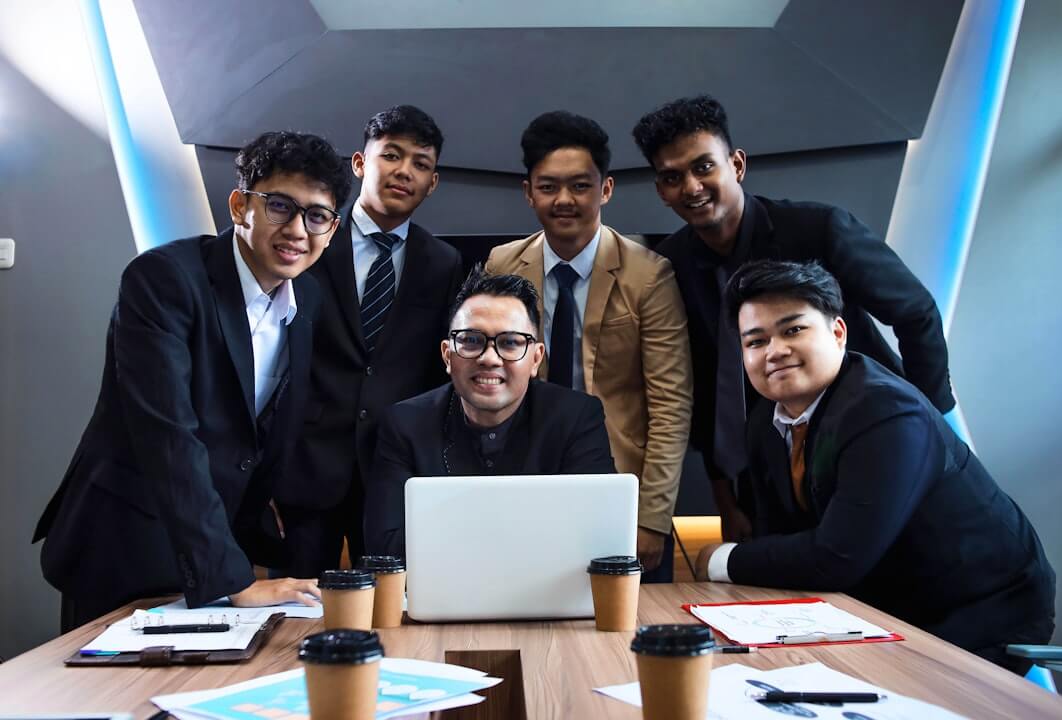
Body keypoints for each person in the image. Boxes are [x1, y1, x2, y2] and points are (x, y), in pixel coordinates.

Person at [33, 131, 353, 630]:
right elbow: (167, 434)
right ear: (238, 205)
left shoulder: (306, 299)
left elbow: (260, 431)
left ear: (332, 230)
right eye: (280, 206)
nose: (297, 229)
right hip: (127, 545)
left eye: (316, 216)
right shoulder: (164, 279)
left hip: (214, 549)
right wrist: (234, 579)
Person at [695, 260, 1055, 673]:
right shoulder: (765, 421)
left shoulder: (884, 410)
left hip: (978, 607)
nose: (775, 351)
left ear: (837, 332)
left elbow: (836, 557)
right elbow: (777, 538)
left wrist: (721, 559)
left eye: (793, 330)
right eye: (756, 341)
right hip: (878, 600)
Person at [632, 95, 955, 543]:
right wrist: (723, 494)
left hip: (863, 447)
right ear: (661, 190)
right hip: (762, 479)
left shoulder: (820, 230)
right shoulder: (669, 265)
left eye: (704, 166)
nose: (691, 187)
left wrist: (929, 427)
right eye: (672, 177)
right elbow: (705, 385)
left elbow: (917, 313)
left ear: (737, 165)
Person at [486, 111, 691, 581]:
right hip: (521, 486)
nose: (564, 200)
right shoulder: (501, 264)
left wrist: (652, 518)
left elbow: (671, 405)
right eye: (548, 186)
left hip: (616, 489)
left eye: (580, 185)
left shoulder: (650, 275)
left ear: (606, 189)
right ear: (528, 191)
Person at [281, 106, 463, 576]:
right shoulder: (308, 240)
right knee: (297, 613)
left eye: (420, 164)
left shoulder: (443, 263)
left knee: (392, 612)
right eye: (392, 156)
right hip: (305, 468)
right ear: (360, 163)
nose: (405, 171)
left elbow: (434, 372)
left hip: (395, 470)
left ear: (433, 182)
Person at [364, 268, 616, 561]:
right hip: (441, 599)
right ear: (447, 355)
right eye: (471, 340)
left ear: (536, 358)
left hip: (546, 600)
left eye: (510, 343)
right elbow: (385, 548)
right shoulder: (404, 424)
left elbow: (595, 540)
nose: (489, 358)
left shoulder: (576, 418)